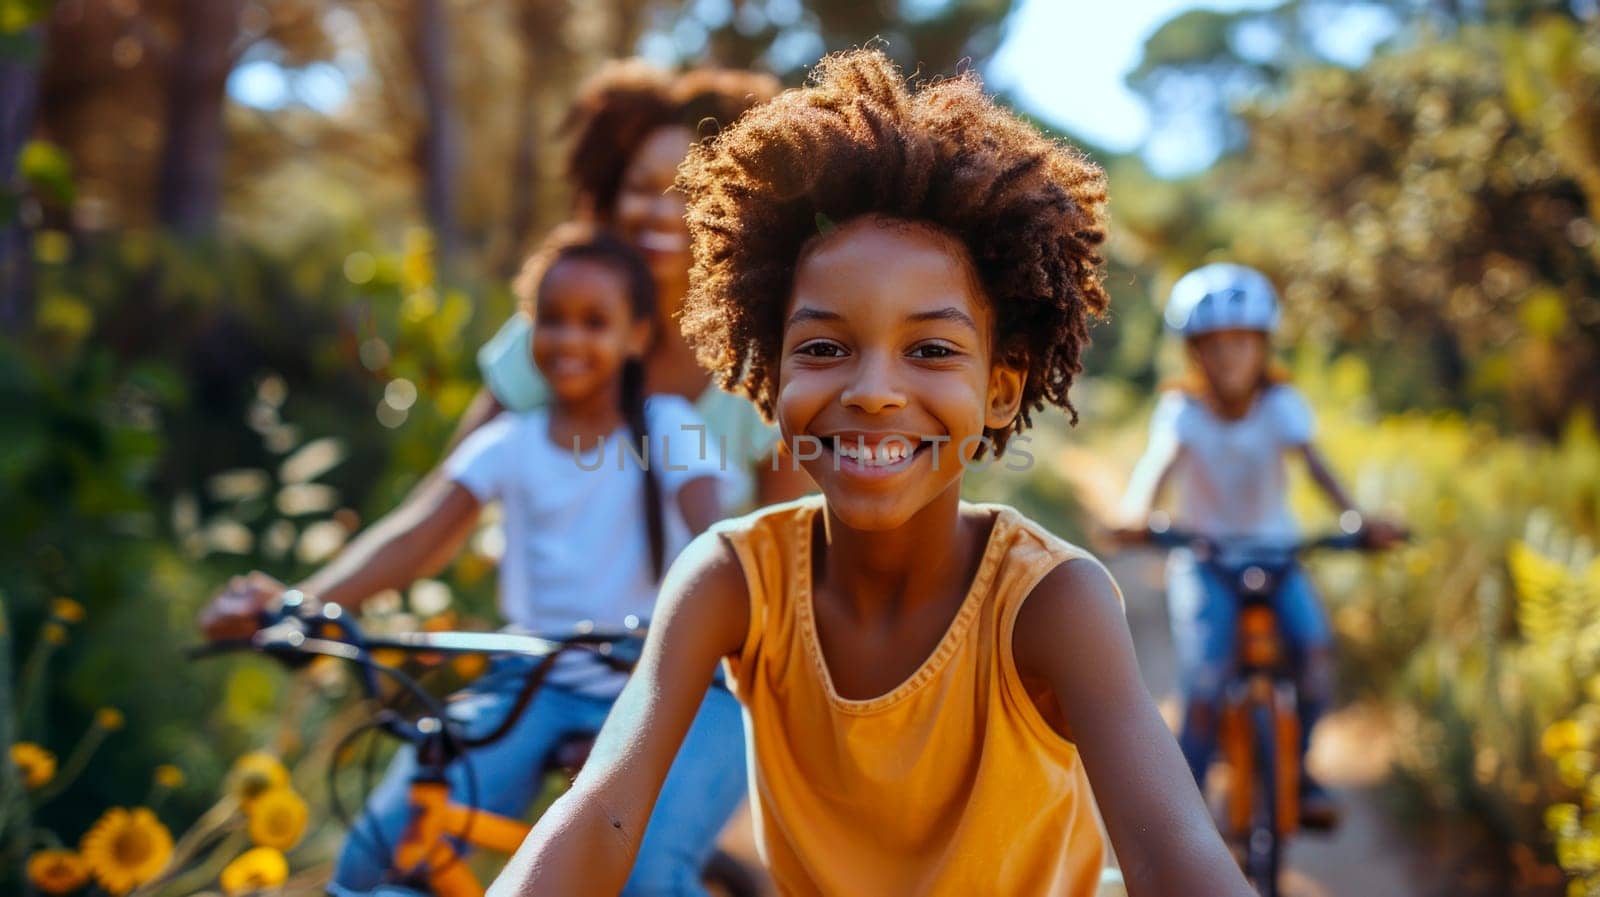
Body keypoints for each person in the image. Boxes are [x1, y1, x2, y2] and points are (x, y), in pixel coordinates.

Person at [486, 49, 1254, 897]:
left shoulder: (1050, 602)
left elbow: (1175, 855)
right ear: (770, 376)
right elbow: (598, 813)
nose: (874, 391)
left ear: (1000, 388)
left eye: (930, 349)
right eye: (823, 347)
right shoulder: (731, 580)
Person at [201, 225, 743, 896]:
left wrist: (725, 617)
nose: (569, 339)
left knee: (645, 878)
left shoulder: (668, 429)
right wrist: (304, 604)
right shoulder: (509, 442)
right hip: (534, 680)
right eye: (552, 320)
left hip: (669, 685)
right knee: (378, 856)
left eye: (595, 322)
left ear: (636, 336)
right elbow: (418, 534)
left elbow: (714, 536)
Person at [1111, 262, 1406, 827]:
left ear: (1263, 346)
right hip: (1205, 560)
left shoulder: (1281, 406)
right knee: (1203, 681)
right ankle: (1182, 814)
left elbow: (1319, 469)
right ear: (1193, 352)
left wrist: (1358, 519)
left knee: (1314, 652)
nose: (1229, 357)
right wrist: (1134, 512)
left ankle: (1298, 769)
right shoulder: (1183, 411)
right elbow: (1156, 467)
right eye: (1214, 345)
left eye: (1242, 343)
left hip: (1278, 555)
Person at [469, 60, 810, 513]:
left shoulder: (763, 359)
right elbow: (449, 493)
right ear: (609, 198)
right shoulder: (556, 329)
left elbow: (785, 546)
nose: (665, 212)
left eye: (692, 190)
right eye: (643, 187)